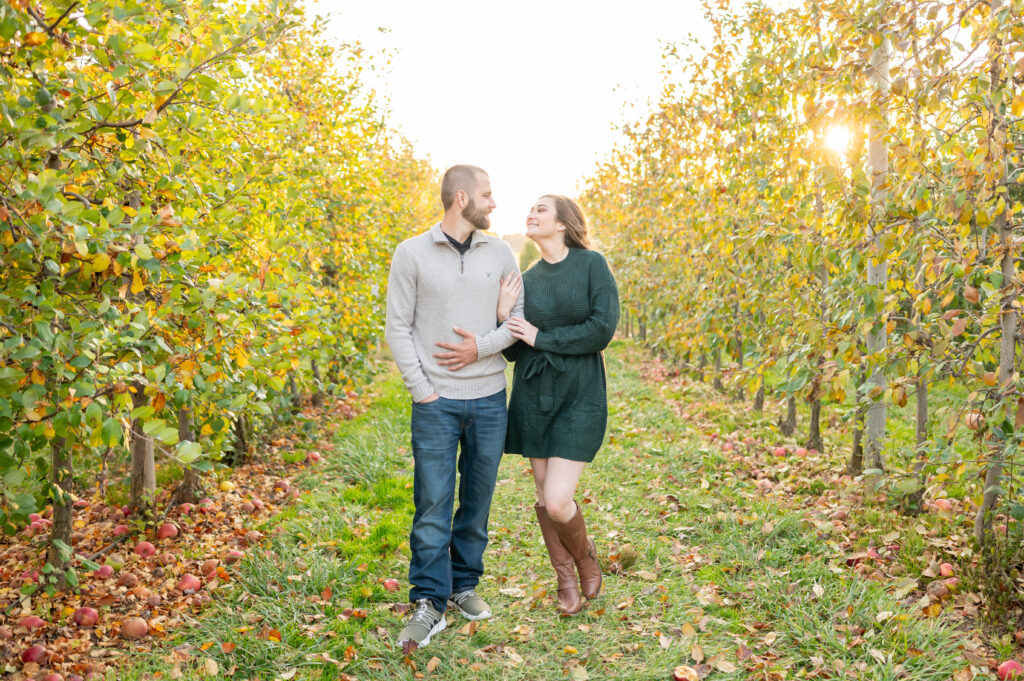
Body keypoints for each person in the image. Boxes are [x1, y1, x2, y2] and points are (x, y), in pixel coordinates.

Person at [384, 165, 524, 654]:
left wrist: (479, 347)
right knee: (433, 504)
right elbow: (398, 328)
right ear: (461, 197)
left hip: (488, 399)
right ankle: (428, 600)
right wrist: (423, 390)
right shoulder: (412, 253)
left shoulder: (501, 251)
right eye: (487, 194)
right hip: (437, 403)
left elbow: (519, 323)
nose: (493, 203)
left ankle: (463, 585)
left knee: (478, 501)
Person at [497, 194, 619, 616]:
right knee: (542, 492)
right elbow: (514, 350)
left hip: (581, 394)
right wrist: (502, 315)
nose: (531, 213)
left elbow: (602, 329)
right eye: (530, 208)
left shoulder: (592, 265)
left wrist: (542, 338)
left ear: (564, 223)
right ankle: (565, 579)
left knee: (557, 499)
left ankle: (585, 559)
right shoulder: (527, 279)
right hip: (535, 397)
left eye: (541, 209)